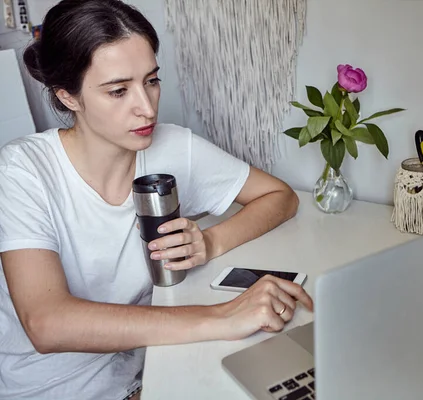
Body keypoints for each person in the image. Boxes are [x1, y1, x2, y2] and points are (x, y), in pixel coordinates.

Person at [0, 1, 313, 399]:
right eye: (118, 90)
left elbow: (280, 196)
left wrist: (211, 242)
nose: (146, 107)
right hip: (57, 388)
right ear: (69, 96)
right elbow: (47, 323)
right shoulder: (23, 169)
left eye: (151, 80)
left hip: (152, 365)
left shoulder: (172, 146)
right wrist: (220, 317)